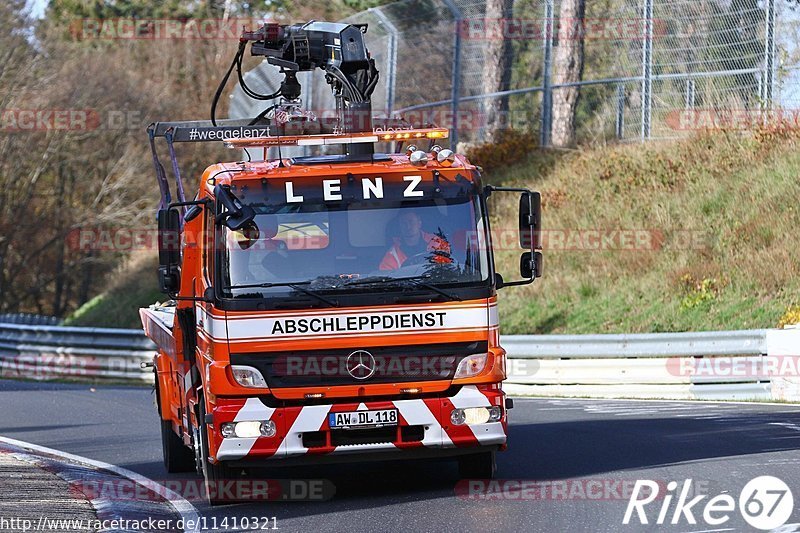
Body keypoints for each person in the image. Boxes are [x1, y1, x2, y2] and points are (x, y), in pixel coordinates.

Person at [379, 211, 453, 270]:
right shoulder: (392, 254)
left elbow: (448, 268)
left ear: (419, 223)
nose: (408, 226)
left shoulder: (437, 242)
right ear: (400, 227)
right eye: (404, 223)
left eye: (411, 221)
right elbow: (386, 276)